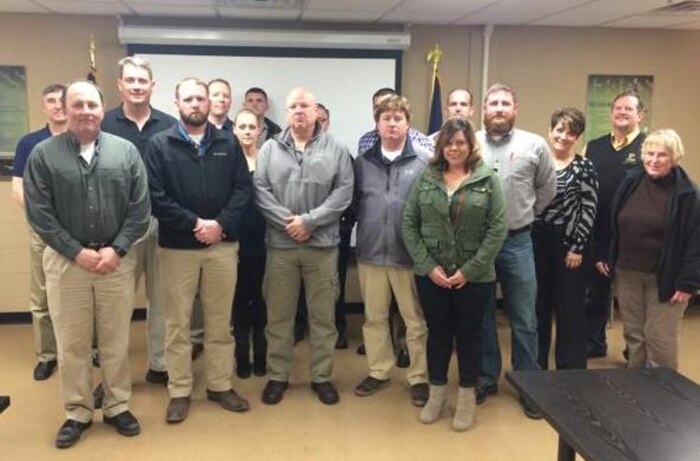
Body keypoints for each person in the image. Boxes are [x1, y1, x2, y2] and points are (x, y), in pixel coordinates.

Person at [24, 80, 150, 448]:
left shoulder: (125, 152)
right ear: (64, 108)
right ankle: (77, 411)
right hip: (67, 264)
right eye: (77, 105)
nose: (85, 112)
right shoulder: (44, 155)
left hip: (116, 262)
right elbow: (40, 214)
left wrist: (118, 249)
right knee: (73, 344)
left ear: (102, 107)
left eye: (92, 105)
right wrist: (76, 251)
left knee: (115, 341)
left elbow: (140, 209)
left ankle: (116, 406)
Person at [145, 78, 251, 423]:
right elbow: (156, 196)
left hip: (222, 246)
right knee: (178, 324)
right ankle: (179, 390)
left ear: (209, 104)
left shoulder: (229, 143)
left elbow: (242, 189)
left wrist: (219, 225)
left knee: (221, 322)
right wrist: (195, 224)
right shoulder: (160, 145)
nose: (196, 104)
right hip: (177, 249)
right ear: (177, 103)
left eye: (201, 98)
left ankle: (220, 385)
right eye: (188, 98)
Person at [403, 118, 506, 431]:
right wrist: (428, 266)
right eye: (449, 143)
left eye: (460, 142)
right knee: (437, 335)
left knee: (470, 338)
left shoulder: (487, 179)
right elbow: (409, 224)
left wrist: (469, 270)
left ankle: (465, 400)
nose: (454, 148)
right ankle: (436, 396)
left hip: (474, 278)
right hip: (431, 275)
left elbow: (497, 228)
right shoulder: (427, 178)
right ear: (441, 146)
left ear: (470, 145)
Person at [254, 87, 353, 406]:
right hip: (281, 247)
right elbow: (260, 191)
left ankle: (322, 377)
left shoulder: (336, 148)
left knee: (322, 319)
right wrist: (290, 223)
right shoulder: (269, 148)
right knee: (279, 317)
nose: (299, 110)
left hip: (322, 247)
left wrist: (309, 221)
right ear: (286, 113)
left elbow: (343, 193)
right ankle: (277, 376)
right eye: (293, 105)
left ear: (316, 112)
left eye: (305, 105)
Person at [476, 83, 556, 419]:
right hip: (477, 244)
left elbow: (547, 189)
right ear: (483, 108)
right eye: (493, 102)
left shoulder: (534, 144)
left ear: (515, 107)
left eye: (505, 103)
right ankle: (486, 375)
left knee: (524, 316)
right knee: (480, 315)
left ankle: (527, 383)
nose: (499, 108)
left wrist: (523, 214)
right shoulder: (471, 143)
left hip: (517, 241)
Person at [102, 56, 177, 386]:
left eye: (141, 80)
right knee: (115, 307)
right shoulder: (104, 124)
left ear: (152, 86)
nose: (135, 86)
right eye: (129, 80)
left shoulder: (170, 125)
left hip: (163, 225)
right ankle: (111, 377)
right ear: (119, 84)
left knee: (162, 301)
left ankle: (159, 365)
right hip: (120, 228)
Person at [353, 95, 430, 407]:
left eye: (398, 119)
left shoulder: (424, 161)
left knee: (415, 320)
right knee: (374, 319)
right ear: (377, 123)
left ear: (408, 124)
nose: (392, 124)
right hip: (371, 252)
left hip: (408, 255)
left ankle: (419, 377)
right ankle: (379, 371)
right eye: (387, 119)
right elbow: (355, 202)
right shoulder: (362, 162)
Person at [604, 129, 700, 370]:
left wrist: (688, 282)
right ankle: (638, 393)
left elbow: (695, 242)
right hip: (627, 272)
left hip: (666, 278)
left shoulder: (688, 194)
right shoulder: (631, 181)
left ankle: (662, 399)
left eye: (662, 155)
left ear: (675, 157)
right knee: (635, 337)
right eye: (650, 153)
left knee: (659, 339)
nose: (654, 160)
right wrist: (607, 255)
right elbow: (615, 221)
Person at [534, 108, 598, 370]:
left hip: (569, 245)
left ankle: (570, 369)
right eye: (559, 130)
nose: (563, 136)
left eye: (570, 132)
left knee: (569, 309)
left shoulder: (584, 166)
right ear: (550, 132)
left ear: (578, 137)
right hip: (537, 241)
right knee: (537, 307)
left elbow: (589, 208)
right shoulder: (538, 162)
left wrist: (577, 247)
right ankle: (535, 366)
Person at [584, 90, 646, 359]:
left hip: (635, 237)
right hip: (598, 234)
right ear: (611, 113)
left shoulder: (649, 147)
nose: (622, 112)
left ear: (640, 115)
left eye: (628, 109)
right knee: (594, 295)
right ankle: (593, 344)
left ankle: (636, 351)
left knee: (635, 301)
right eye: (618, 108)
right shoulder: (594, 146)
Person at [11, 83, 67, 381]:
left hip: (80, 231)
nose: (58, 106)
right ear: (43, 106)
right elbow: (18, 189)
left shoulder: (81, 139)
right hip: (43, 231)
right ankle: (47, 355)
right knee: (42, 295)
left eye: (62, 100)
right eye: (51, 101)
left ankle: (91, 347)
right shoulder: (29, 143)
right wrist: (43, 220)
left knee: (86, 292)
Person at [231, 108, 268, 379]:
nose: (246, 131)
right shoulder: (228, 161)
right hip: (235, 242)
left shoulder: (268, 161)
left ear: (259, 130)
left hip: (266, 242)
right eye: (241, 126)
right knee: (239, 302)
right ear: (234, 130)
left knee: (263, 301)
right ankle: (241, 355)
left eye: (251, 127)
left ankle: (262, 355)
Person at [357, 87, 434, 155]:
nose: (382, 110)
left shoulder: (421, 141)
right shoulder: (365, 140)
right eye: (377, 107)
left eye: (387, 105)